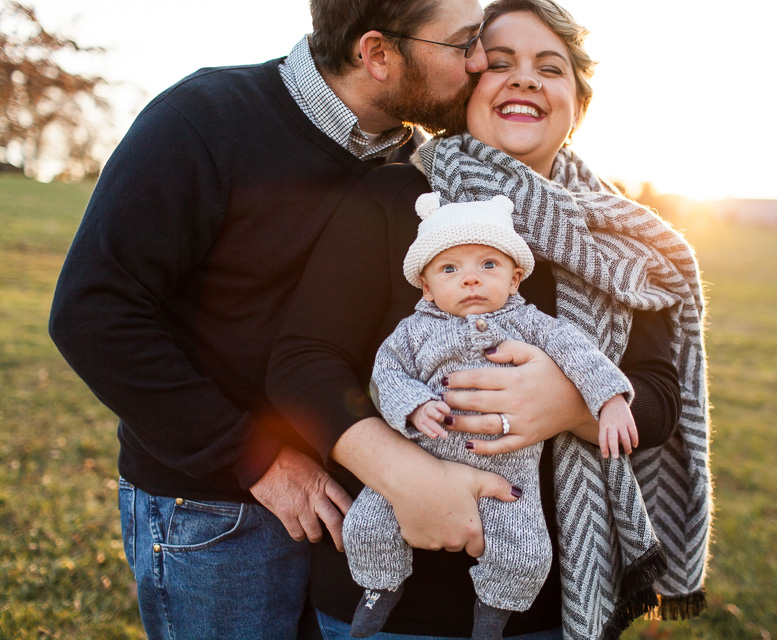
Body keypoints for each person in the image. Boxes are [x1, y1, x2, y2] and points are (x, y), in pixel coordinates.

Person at [47, 0, 511, 637]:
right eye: (464, 44)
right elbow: (92, 313)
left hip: (356, 511)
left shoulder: (424, 169)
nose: (482, 61)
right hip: (219, 511)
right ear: (377, 54)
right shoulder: (204, 120)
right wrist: (256, 456)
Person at [267, 0, 711, 638]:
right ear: (465, 87)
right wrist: (405, 469)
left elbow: (663, 397)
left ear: (578, 104)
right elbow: (303, 364)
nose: (526, 79)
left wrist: (571, 405)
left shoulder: (618, 242)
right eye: (499, 63)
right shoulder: (395, 200)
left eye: (550, 68)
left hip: (554, 605)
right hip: (399, 605)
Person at [344, 192, 642, 640]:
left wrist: (611, 399)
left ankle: (492, 617)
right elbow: (386, 375)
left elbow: (580, 353)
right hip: (421, 462)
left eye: (488, 265)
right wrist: (414, 405)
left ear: (515, 278)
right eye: (450, 269)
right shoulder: (412, 331)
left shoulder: (532, 324)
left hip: (509, 475)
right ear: (426, 286)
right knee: (365, 524)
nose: (470, 280)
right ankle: (379, 586)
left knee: (527, 555)